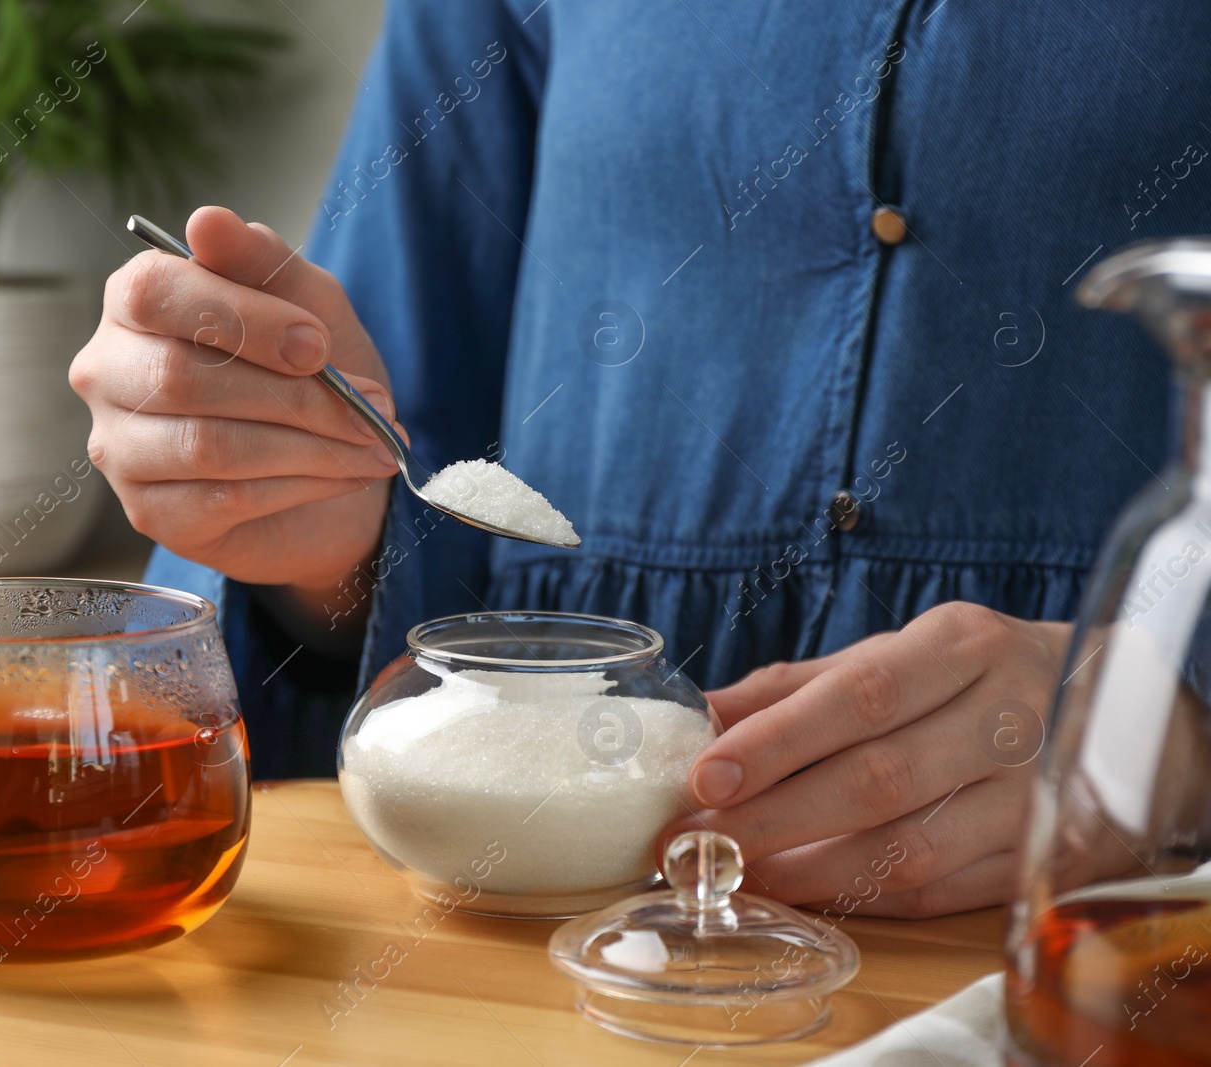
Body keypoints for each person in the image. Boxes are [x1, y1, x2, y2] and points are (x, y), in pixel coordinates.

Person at [69, 0, 1211, 917]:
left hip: (1107, 943)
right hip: (520, 939)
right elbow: (383, 494)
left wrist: (1173, 725)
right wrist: (305, 532)